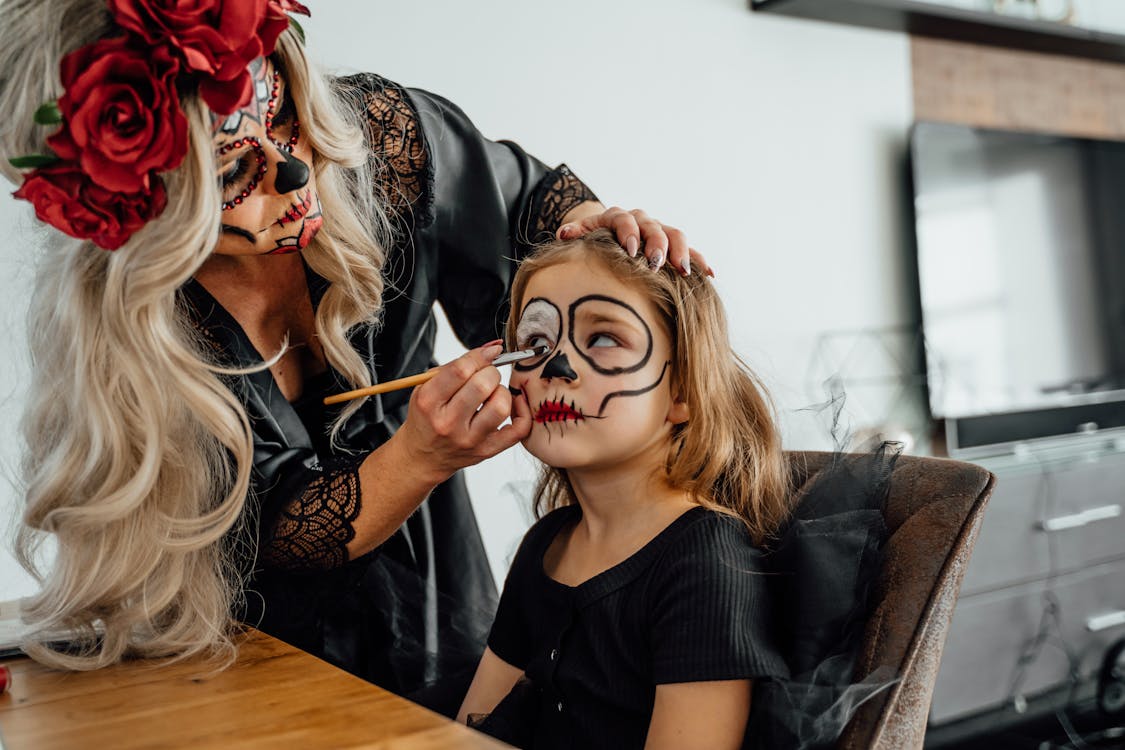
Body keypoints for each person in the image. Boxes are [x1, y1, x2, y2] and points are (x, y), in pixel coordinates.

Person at [0, 0, 705, 715]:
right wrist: (420, 456)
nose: (296, 172)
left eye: (287, 116)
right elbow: (272, 531)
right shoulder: (137, 323)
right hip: (236, 651)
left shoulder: (379, 141)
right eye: (235, 170)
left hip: (432, 586)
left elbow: (530, 223)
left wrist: (584, 238)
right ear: (144, 210)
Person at [456, 229, 794, 748]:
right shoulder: (545, 545)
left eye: (604, 338)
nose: (556, 367)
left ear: (682, 391)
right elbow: (469, 733)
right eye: (535, 344)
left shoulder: (704, 563)